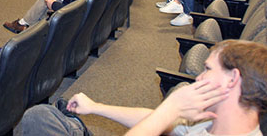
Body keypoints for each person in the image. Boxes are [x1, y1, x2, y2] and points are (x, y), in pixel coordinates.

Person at [19, 39, 267, 136]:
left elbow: (163, 118)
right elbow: (159, 120)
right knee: (41, 116)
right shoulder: (213, 121)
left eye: (208, 70)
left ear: (233, 79)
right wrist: (96, 107)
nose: (199, 78)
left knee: (40, 122)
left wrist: (171, 108)